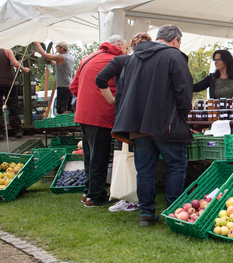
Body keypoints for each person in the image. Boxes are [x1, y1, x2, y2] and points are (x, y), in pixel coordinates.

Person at [112, 25, 193, 227]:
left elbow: (120, 93)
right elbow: (184, 91)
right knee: (175, 165)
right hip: (166, 123)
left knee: (145, 170)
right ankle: (174, 212)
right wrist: (181, 116)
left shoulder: (132, 59)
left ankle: (146, 214)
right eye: (180, 42)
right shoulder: (174, 56)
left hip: (137, 125)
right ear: (175, 39)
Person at [95, 32, 152, 213]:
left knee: (131, 156)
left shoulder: (122, 61)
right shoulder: (152, 62)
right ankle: (136, 199)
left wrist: (113, 100)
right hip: (146, 117)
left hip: (126, 117)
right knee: (143, 159)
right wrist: (113, 100)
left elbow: (100, 79)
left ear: (132, 46)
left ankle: (132, 198)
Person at [69, 35, 129, 207]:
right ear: (119, 46)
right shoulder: (117, 60)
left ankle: (88, 192)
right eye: (125, 48)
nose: (126, 52)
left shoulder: (87, 58)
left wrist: (87, 99)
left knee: (89, 155)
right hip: (102, 113)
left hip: (83, 113)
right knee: (99, 156)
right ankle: (95, 196)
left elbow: (73, 87)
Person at [34, 40, 75, 114]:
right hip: (69, 87)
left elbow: (44, 55)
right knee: (69, 107)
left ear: (62, 48)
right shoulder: (70, 58)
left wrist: (37, 43)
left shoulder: (61, 57)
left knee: (61, 109)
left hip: (62, 87)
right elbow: (63, 68)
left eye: (58, 46)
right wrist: (54, 63)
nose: (56, 47)